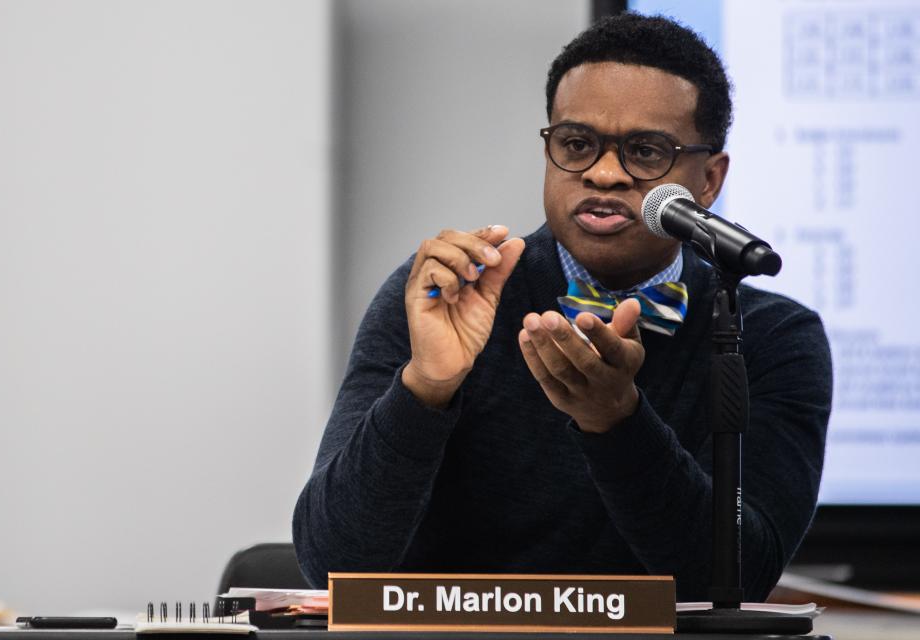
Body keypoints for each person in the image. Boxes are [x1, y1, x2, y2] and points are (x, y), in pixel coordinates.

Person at [292, 13, 832, 601]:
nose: (603, 173)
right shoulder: (452, 294)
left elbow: (738, 579)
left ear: (708, 181)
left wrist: (617, 420)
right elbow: (331, 563)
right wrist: (425, 386)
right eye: (576, 144)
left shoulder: (775, 338)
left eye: (646, 152)